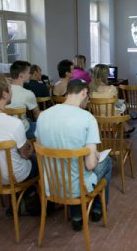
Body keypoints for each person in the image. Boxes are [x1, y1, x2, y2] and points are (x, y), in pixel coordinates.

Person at [35, 79, 112, 231]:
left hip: (50, 183)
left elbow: (40, 147)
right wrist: (95, 155)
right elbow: (90, 165)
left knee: (74, 169)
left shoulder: (43, 116)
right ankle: (97, 208)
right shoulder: (87, 119)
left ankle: (77, 215)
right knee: (106, 161)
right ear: (84, 92)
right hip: (77, 187)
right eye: (87, 98)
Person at [90, 64, 134, 134]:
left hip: (98, 118)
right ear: (106, 75)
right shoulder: (112, 89)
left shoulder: (90, 89)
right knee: (121, 104)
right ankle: (125, 126)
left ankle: (126, 126)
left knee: (117, 106)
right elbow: (117, 105)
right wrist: (123, 103)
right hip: (112, 118)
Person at [7, 60, 40, 139]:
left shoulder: (3, 91)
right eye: (29, 73)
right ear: (21, 75)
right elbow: (37, 115)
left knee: (27, 119)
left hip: (7, 130)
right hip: (23, 131)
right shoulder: (28, 94)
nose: (30, 75)